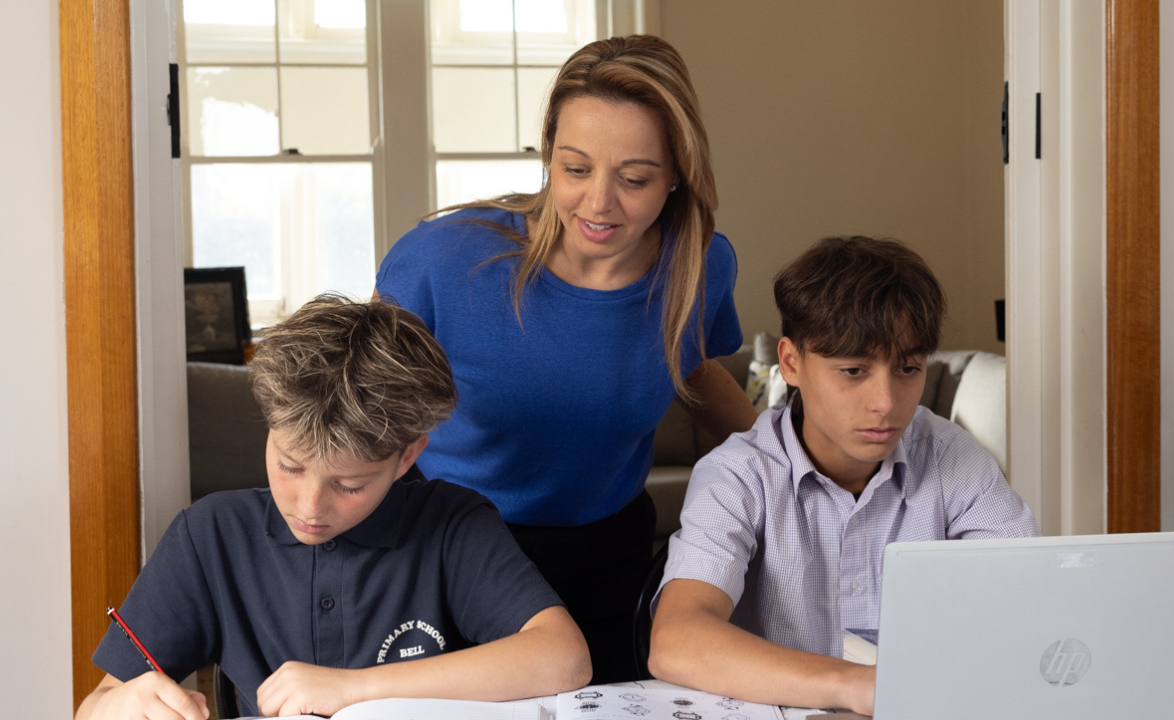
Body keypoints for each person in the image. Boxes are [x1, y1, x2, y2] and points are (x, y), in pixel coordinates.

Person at [375, 35, 757, 682]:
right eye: (575, 169)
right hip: (458, 548)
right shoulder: (441, 261)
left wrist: (797, 459)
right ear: (548, 155)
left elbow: (691, 371)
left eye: (634, 179)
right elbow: (361, 404)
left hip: (610, 554)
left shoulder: (699, 267)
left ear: (676, 176)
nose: (599, 203)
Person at [75, 295, 591, 720]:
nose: (310, 507)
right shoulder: (210, 535)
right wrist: (121, 704)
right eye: (290, 466)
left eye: (349, 485)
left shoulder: (451, 523)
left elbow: (564, 659)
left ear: (408, 454)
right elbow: (92, 707)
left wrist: (352, 690)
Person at [647, 237, 1040, 715]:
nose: (886, 403)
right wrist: (858, 686)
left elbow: (1031, 601)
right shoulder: (737, 474)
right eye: (853, 370)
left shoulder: (953, 456)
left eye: (909, 369)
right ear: (791, 363)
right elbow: (676, 640)